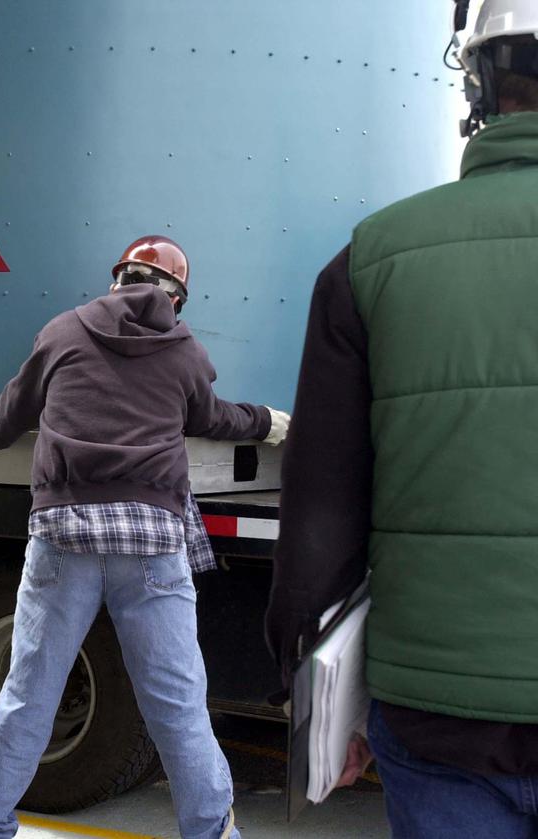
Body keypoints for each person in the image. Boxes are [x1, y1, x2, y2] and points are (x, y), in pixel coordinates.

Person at [265, 3, 538, 834]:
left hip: (436, 709)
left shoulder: (370, 258)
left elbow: (318, 522)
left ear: (480, 84)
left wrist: (317, 699)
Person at [0, 235, 290, 839]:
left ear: (117, 282)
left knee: (29, 695)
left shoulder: (62, 333)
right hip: (152, 546)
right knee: (178, 706)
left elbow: (8, 420)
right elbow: (212, 419)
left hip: (64, 542)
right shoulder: (183, 352)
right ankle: (212, 834)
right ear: (175, 300)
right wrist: (267, 423)